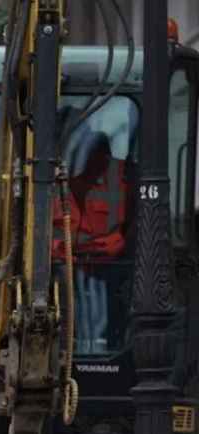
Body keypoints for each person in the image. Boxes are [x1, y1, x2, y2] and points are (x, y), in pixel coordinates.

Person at [52, 131, 129, 352]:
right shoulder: (64, 183)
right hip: (74, 265)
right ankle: (66, 346)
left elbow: (134, 227)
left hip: (110, 266)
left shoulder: (125, 179)